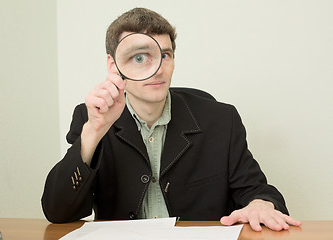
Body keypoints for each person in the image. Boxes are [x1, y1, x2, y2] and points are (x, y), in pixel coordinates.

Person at [41, 7, 301, 232]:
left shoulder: (221, 120)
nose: (158, 68)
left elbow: (259, 191)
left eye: (165, 55)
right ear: (114, 65)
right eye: (139, 57)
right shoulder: (91, 119)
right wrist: (93, 132)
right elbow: (57, 211)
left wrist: (260, 205)